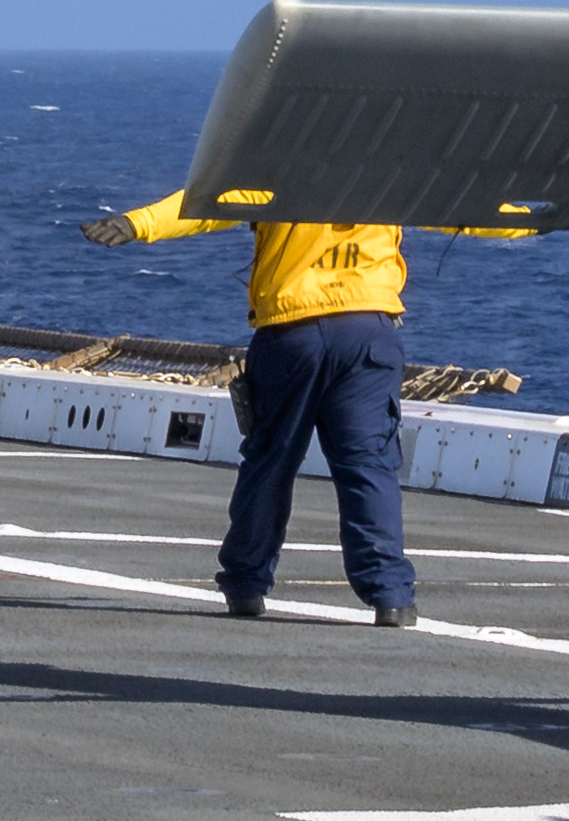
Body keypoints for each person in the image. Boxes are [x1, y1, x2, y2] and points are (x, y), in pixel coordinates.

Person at [86, 187, 522, 627]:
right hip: (367, 333)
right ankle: (390, 596)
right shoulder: (392, 167)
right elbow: (456, 202)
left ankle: (246, 585)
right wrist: (530, 216)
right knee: (368, 464)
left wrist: (137, 223)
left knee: (270, 460)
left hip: (291, 334)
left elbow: (209, 202)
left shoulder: (282, 165)